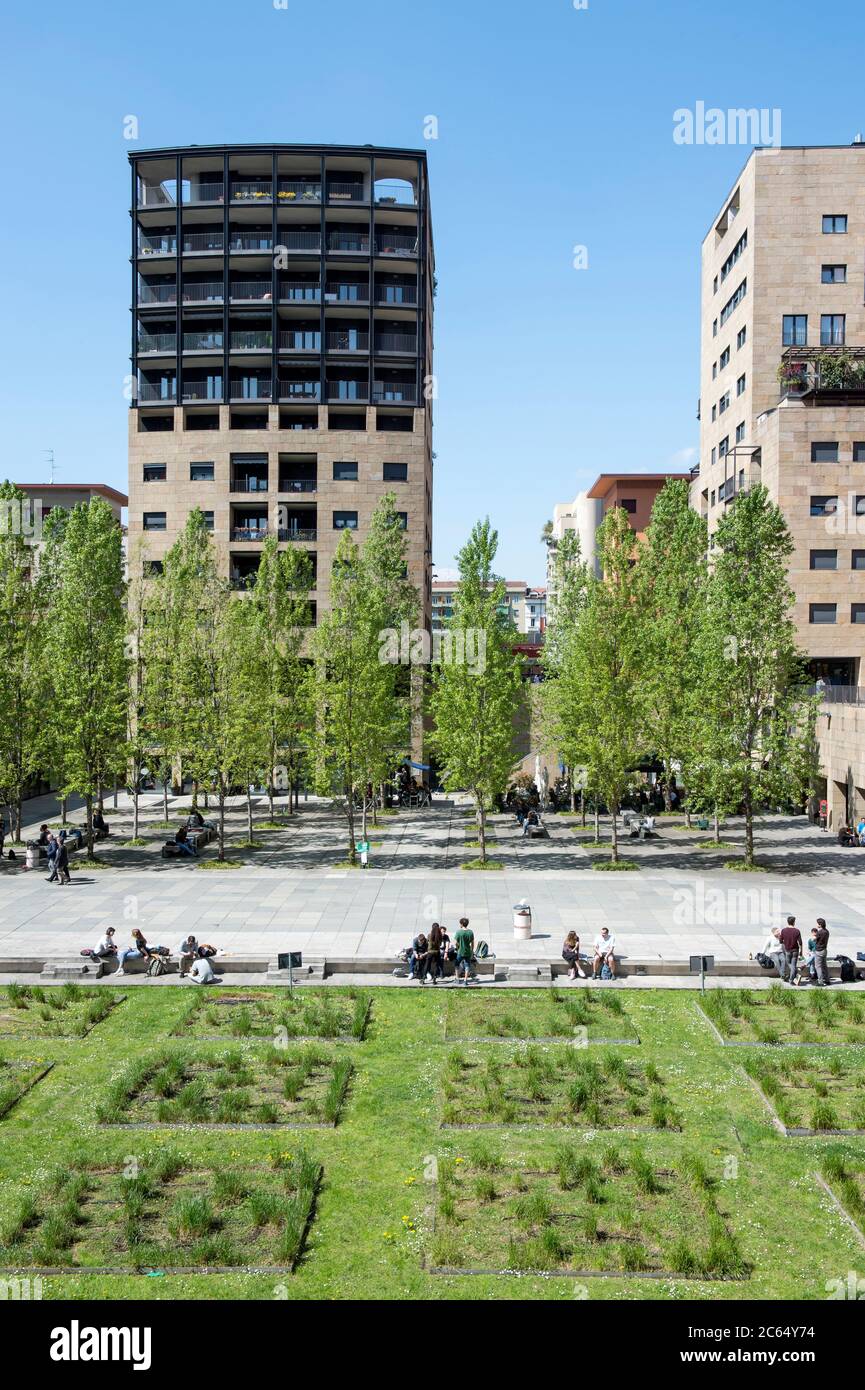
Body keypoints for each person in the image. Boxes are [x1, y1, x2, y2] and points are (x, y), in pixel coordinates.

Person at [779, 916, 802, 986]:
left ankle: (792, 978)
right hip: (795, 950)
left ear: (787, 922)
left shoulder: (783, 930)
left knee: (789, 963)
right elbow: (800, 942)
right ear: (794, 922)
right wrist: (801, 951)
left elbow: (780, 941)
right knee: (793, 965)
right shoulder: (797, 931)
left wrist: (785, 943)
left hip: (788, 950)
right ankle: (791, 979)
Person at [454, 917, 475, 985]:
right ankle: (465, 980)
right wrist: (471, 951)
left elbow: (455, 942)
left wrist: (458, 947)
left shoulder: (459, 932)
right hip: (468, 952)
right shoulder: (470, 932)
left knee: (456, 964)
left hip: (460, 951)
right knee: (467, 966)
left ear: (462, 924)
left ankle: (457, 978)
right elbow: (472, 943)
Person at [812, 917, 831, 987]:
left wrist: (814, 936)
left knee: (818, 966)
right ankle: (827, 980)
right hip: (824, 950)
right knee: (824, 966)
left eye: (817, 923)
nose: (816, 924)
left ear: (820, 924)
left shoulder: (820, 932)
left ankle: (820, 982)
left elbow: (814, 939)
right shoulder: (827, 931)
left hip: (819, 951)